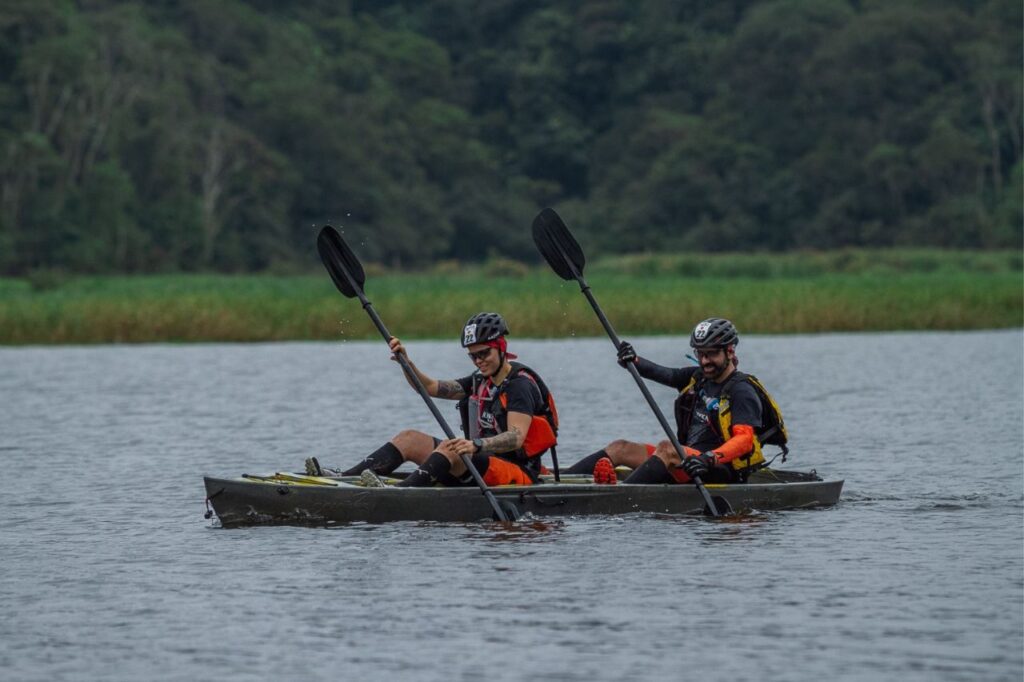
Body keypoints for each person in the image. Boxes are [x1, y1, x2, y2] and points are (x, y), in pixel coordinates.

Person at [307, 312, 558, 487]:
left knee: (452, 447)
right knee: (409, 438)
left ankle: (402, 492)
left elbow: (516, 437)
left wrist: (475, 445)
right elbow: (429, 387)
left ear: (502, 347)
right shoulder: (480, 379)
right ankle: (346, 478)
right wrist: (406, 362)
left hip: (516, 472)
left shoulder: (519, 385)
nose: (479, 360)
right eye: (473, 356)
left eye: (484, 353)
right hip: (477, 464)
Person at [564, 317, 786, 485]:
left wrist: (708, 458)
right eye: (700, 354)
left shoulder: (742, 390)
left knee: (668, 449)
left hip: (719, 469)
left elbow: (745, 440)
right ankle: (558, 482)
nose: (705, 361)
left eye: (711, 354)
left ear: (729, 351)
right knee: (620, 447)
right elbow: (665, 374)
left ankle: (619, 494)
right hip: (687, 460)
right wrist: (633, 360)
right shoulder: (697, 378)